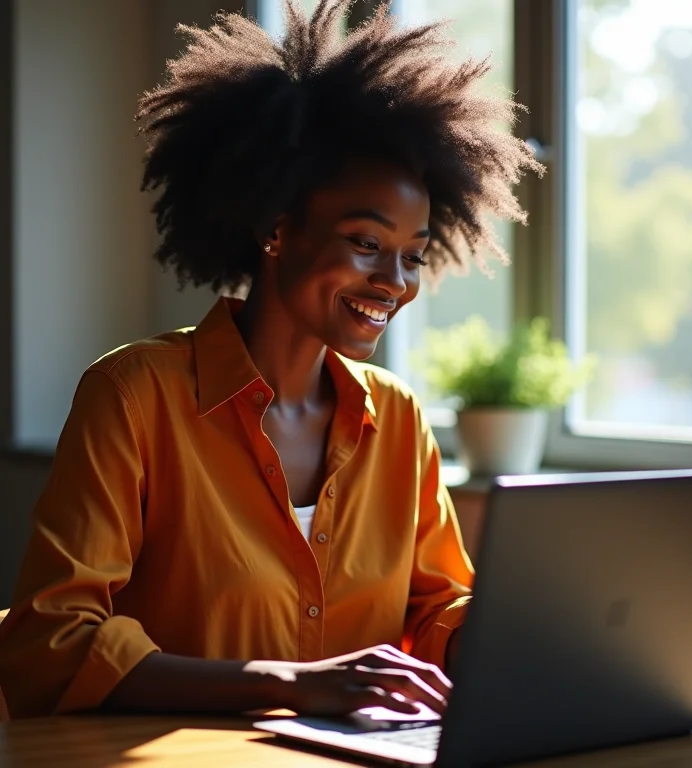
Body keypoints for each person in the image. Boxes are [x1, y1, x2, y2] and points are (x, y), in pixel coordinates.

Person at [0, 0, 541, 719]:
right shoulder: (133, 396)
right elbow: (50, 645)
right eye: (366, 243)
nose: (395, 282)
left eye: (412, 256)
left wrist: (519, 638)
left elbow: (434, 605)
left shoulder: (398, 418)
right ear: (276, 230)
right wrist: (285, 684)